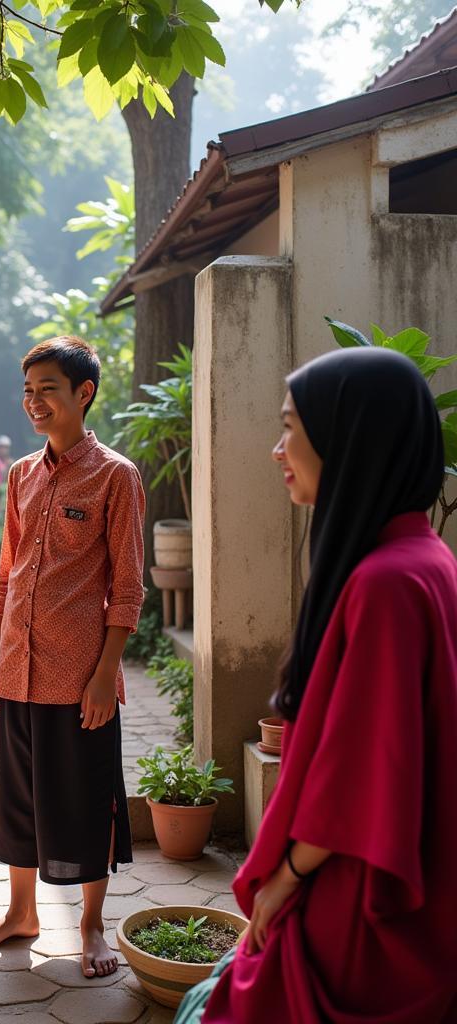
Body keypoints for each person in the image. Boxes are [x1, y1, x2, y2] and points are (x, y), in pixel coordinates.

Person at [175, 347, 457, 1023]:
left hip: (363, 893)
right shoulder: (425, 558)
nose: (277, 449)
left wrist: (285, 880)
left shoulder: (386, 583)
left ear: (349, 437)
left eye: (290, 428)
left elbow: (363, 767)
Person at [0, 336, 145, 979]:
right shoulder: (19, 475)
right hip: (17, 668)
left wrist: (105, 674)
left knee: (88, 798)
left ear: (83, 393)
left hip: (79, 679)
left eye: (48, 389)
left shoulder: (116, 476)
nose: (34, 402)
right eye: (28, 390)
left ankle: (92, 925)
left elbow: (127, 587)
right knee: (17, 799)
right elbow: (7, 577)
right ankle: (22, 913)